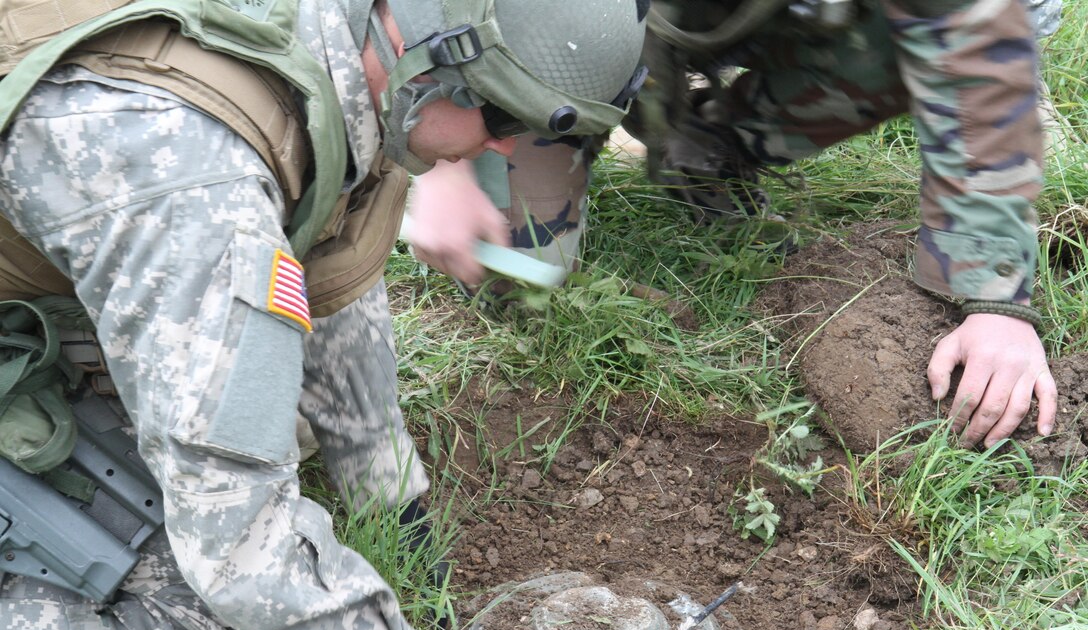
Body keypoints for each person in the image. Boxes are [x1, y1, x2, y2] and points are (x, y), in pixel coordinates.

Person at [0, 1, 647, 630]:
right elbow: (238, 549)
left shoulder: (347, 50)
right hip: (112, 231)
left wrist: (388, 492)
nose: (503, 152)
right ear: (425, 62)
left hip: (88, 243)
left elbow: (328, 249)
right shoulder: (197, 186)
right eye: (501, 120)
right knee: (212, 601)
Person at [407, 0, 1060, 450]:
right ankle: (566, 110)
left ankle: (706, 142)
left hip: (745, 18)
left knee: (970, 25)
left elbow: (981, 47)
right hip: (565, 28)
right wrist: (438, 151)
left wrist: (996, 303)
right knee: (516, 269)